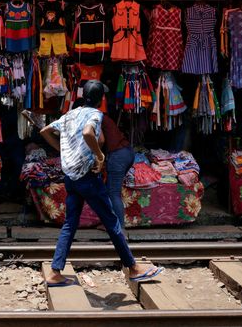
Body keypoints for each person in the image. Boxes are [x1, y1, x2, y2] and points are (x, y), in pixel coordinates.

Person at [40, 80, 162, 286]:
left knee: (70, 224)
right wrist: (99, 156)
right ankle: (133, 268)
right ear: (101, 99)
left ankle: (55, 272)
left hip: (71, 178)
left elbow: (44, 131)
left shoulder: (71, 113)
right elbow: (88, 133)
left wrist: (63, 150)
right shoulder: (95, 115)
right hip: (87, 178)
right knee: (112, 222)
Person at [102, 110, 135, 234]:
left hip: (117, 155)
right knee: (109, 189)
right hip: (126, 152)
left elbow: (99, 140)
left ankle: (120, 229)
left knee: (113, 193)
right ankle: (109, 223)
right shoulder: (103, 117)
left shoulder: (93, 117)